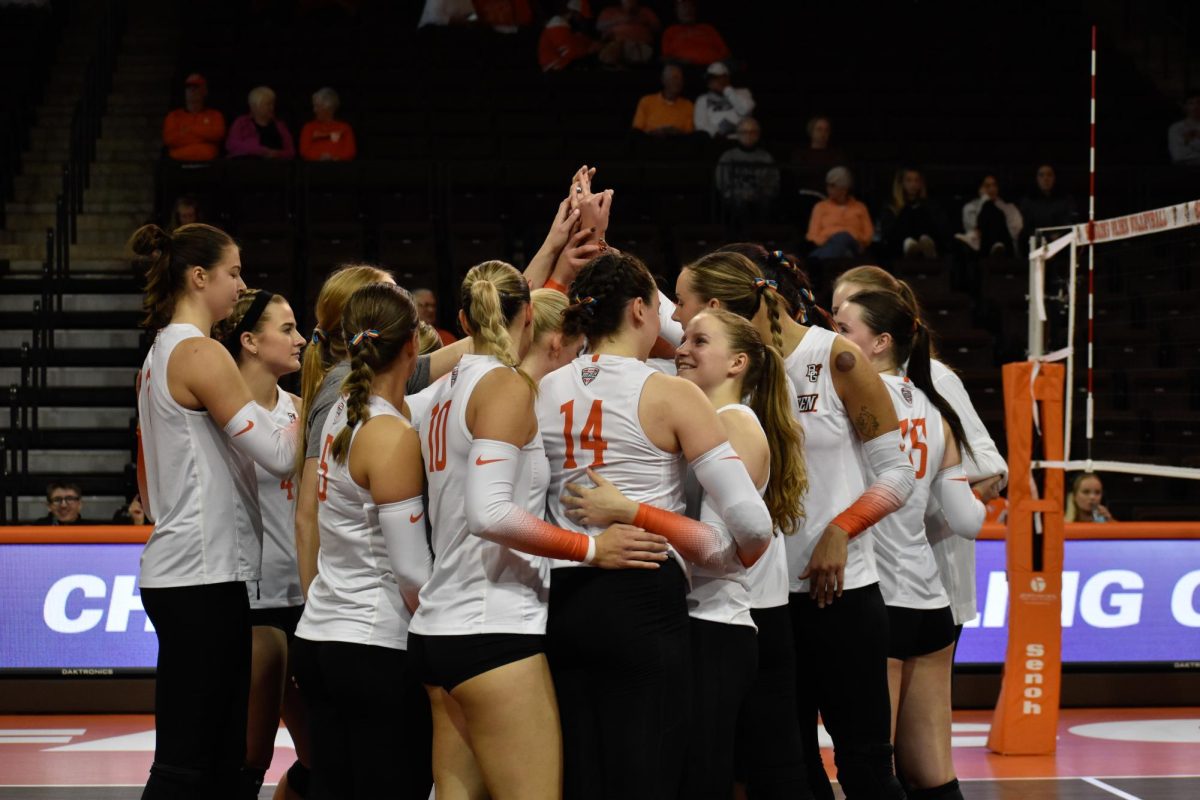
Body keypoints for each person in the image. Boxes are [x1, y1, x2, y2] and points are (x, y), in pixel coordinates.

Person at [408, 261, 667, 799]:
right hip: (493, 629)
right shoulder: (504, 386)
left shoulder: (438, 393)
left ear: (462, 318)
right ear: (529, 313)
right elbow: (491, 514)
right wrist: (591, 548)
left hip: (437, 627)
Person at [671, 250, 915, 800]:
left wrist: (840, 530)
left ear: (713, 304)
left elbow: (899, 475)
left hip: (842, 594)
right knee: (789, 770)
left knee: (866, 766)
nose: (679, 324)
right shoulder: (720, 359)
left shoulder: (837, 357)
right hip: (771, 605)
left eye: (684, 306)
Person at [539, 251, 774, 799]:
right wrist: (642, 514)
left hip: (563, 591)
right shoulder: (671, 392)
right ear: (642, 310)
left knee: (581, 778)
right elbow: (750, 530)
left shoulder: (543, 388)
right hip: (643, 595)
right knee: (647, 776)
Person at [129, 222, 298, 798]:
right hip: (200, 576)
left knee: (215, 753)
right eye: (233, 272)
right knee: (191, 759)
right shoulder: (201, 351)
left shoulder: (157, 355)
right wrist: (320, 402)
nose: (241, 284)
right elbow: (278, 454)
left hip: (191, 573)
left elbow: (149, 492)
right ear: (199, 277)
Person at [834, 288, 986, 800]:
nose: (834, 341)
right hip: (931, 603)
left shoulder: (853, 402)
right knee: (933, 774)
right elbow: (969, 521)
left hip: (881, 602)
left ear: (879, 343)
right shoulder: (937, 408)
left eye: (844, 329)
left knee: (873, 770)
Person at [292, 282, 432, 799]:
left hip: (322, 638)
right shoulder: (389, 434)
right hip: (374, 647)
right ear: (414, 344)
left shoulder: (339, 413)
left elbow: (308, 517)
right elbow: (413, 573)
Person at [831, 265, 1008, 635]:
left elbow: (992, 467)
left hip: (930, 571)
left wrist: (919, 506)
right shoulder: (849, 385)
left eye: (845, 323)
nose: (834, 333)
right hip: (883, 579)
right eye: (835, 317)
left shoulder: (934, 379)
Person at [294, 267, 471, 604]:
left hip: (335, 622)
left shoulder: (352, 396)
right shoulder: (355, 404)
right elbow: (307, 517)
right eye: (389, 294)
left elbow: (478, 344)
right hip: (369, 622)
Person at [211, 290, 311, 800]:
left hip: (308, 601)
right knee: (250, 757)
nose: (300, 339)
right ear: (249, 340)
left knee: (320, 760)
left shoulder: (304, 408)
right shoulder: (218, 415)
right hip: (252, 602)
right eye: (288, 328)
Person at [715, 117, 780, 222]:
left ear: (758, 135)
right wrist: (737, 195)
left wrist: (757, 195)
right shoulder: (728, 156)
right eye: (744, 132)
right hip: (734, 198)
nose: (748, 135)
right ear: (738, 134)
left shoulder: (766, 157)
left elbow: (772, 183)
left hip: (759, 198)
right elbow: (721, 182)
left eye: (752, 132)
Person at [877, 167, 947, 260]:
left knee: (920, 213)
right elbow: (888, 235)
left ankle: (925, 247)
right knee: (907, 213)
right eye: (909, 180)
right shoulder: (892, 206)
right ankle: (910, 246)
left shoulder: (930, 205)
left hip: (926, 239)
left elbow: (940, 229)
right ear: (901, 183)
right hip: (899, 247)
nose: (913, 184)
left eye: (916, 180)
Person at [806, 166, 873, 261]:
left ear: (844, 189)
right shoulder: (820, 207)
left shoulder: (860, 207)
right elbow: (812, 235)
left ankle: (815, 260)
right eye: (828, 185)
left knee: (843, 237)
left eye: (833, 186)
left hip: (854, 246)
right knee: (840, 243)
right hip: (828, 245)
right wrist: (833, 237)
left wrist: (846, 234)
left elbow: (868, 236)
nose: (828, 189)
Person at [162, 73, 226, 162]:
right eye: (188, 87)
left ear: (204, 91)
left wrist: (189, 130)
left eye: (196, 87)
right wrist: (203, 134)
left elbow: (217, 135)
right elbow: (169, 140)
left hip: (208, 164)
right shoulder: (173, 116)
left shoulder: (215, 115)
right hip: (179, 164)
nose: (192, 91)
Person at [957, 174, 1022, 256]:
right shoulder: (970, 207)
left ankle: (996, 243)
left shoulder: (1008, 207)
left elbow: (1016, 231)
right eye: (987, 186)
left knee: (993, 210)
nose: (992, 189)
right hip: (983, 247)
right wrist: (985, 202)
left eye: (994, 185)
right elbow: (971, 227)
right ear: (980, 189)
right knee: (989, 207)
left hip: (1006, 245)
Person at [226, 86, 296, 160]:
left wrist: (277, 154)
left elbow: (291, 152)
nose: (272, 108)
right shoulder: (241, 123)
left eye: (273, 104)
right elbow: (231, 145)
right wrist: (261, 151)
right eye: (268, 104)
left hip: (276, 166)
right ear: (255, 106)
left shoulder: (280, 125)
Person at [694, 61, 755, 139]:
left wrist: (726, 90)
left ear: (727, 78)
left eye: (716, 78)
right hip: (715, 141)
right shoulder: (702, 99)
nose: (712, 82)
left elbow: (744, 111)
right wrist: (719, 131)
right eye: (710, 79)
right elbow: (700, 127)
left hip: (741, 140)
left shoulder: (743, 92)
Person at [790, 115, 849, 195]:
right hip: (804, 194)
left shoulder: (836, 154)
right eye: (819, 129)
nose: (823, 133)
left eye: (826, 130)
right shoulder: (800, 153)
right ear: (811, 131)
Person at [661, 0, 730, 66]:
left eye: (691, 6)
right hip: (685, 69)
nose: (688, 10)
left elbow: (726, 54)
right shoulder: (670, 31)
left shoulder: (708, 29)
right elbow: (666, 58)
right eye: (684, 7)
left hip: (713, 68)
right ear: (676, 11)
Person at [632, 63, 695, 136]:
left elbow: (689, 134)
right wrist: (655, 133)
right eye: (675, 77)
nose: (678, 82)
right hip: (650, 142)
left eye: (681, 79)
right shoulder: (646, 101)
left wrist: (676, 132)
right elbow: (637, 130)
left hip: (677, 143)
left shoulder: (688, 105)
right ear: (664, 80)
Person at [1019, 164, 1078, 239]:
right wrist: (1046, 237)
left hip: (1063, 242)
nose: (1045, 178)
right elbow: (1027, 228)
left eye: (1049, 175)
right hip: (1037, 244)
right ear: (1036, 178)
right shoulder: (1028, 201)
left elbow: (1071, 223)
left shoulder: (1066, 199)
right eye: (1041, 175)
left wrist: (1059, 235)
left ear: (1054, 177)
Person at [538, 1, 600, 72]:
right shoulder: (557, 25)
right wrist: (588, 50)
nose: (582, 19)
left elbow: (575, 41)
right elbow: (568, 51)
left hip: (561, 64)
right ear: (574, 12)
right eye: (581, 15)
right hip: (554, 67)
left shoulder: (566, 26)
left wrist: (590, 43)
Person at [299, 87, 356, 162]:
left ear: (329, 109)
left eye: (318, 106)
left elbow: (350, 151)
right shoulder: (309, 127)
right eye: (314, 106)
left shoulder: (345, 128)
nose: (314, 110)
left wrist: (335, 158)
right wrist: (319, 158)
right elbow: (304, 151)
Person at [596, 0, 660, 66]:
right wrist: (618, 20)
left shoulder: (645, 11)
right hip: (615, 44)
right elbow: (599, 26)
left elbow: (657, 27)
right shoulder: (609, 11)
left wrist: (641, 19)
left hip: (640, 46)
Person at [1168, 90, 1200, 166]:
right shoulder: (1176, 128)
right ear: (1185, 106)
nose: (1195, 106)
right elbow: (1178, 156)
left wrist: (1189, 141)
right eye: (1191, 103)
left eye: (1199, 102)